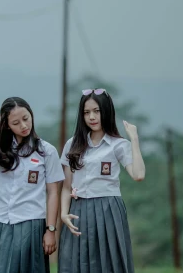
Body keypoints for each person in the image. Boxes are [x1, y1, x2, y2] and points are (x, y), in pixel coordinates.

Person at [58, 89, 146, 273]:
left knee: (108, 263)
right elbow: (66, 187)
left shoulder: (118, 145)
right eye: (86, 112)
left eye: (96, 111)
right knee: (75, 263)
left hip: (108, 210)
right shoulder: (72, 144)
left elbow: (138, 175)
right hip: (78, 211)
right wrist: (64, 214)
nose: (91, 117)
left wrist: (134, 139)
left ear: (106, 111)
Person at [0, 97, 65, 273]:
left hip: (30, 223)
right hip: (1, 221)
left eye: (26, 118)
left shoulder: (46, 151)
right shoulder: (1, 147)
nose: (24, 126)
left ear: (31, 115)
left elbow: (53, 193)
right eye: (16, 123)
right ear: (7, 125)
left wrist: (50, 230)